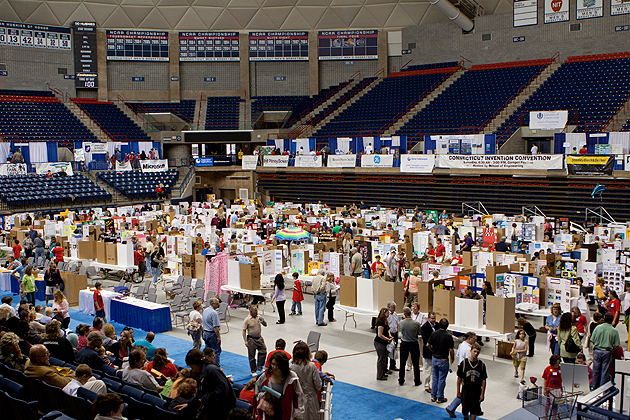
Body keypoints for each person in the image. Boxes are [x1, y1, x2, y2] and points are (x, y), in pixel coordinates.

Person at [182, 349, 236, 420]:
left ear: (196, 363)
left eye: (191, 366)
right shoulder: (201, 372)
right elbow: (201, 393)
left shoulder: (211, 370)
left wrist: (205, 398)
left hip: (222, 408)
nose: (191, 369)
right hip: (213, 406)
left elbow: (223, 389)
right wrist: (189, 404)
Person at [255, 351, 303, 420]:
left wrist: (298, 415)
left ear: (283, 366)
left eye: (277, 366)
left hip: (286, 413)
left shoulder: (292, 378)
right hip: (269, 413)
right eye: (273, 364)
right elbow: (257, 392)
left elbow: (299, 397)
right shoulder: (265, 376)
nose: (274, 368)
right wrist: (264, 396)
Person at [445, 332, 477, 418]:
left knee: (466, 392)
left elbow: (458, 355)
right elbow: (470, 361)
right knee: (466, 393)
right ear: (469, 339)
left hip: (461, 368)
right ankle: (452, 408)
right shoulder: (468, 350)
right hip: (466, 372)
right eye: (474, 339)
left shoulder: (461, 345)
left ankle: (452, 408)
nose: (475, 340)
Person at [291, 341, 322, 420]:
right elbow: (318, 385)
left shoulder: (290, 366)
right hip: (310, 399)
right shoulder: (311, 366)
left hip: (295, 399)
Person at [455, 343, 487, 420]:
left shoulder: (481, 365)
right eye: (474, 351)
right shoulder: (464, 363)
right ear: (471, 350)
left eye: (478, 352)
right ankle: (465, 417)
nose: (476, 354)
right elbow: (459, 378)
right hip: (466, 390)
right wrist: (458, 391)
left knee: (474, 411)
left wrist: (482, 394)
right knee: (465, 410)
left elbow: (484, 380)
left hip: (476, 391)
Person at [428, 318, 455, 403]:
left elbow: (428, 344)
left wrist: (432, 350)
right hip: (443, 359)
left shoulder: (434, 333)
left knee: (435, 377)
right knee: (442, 379)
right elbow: (451, 349)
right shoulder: (448, 336)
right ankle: (440, 397)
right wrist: (452, 358)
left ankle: (433, 396)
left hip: (435, 358)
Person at [590, 312, 620, 389]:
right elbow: (616, 345)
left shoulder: (598, 328)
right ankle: (602, 389)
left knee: (596, 371)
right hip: (607, 351)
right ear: (612, 320)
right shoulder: (614, 331)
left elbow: (592, 340)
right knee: (605, 372)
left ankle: (594, 387)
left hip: (597, 350)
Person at [398, 307, 422, 386]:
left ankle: (401, 380)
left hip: (404, 343)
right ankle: (417, 380)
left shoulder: (401, 323)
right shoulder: (416, 323)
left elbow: (401, 331)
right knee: (416, 363)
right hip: (413, 343)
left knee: (402, 362)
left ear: (404, 314)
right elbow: (419, 333)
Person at [243, 305, 267, 376]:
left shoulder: (258, 317)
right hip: (251, 339)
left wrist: (263, 320)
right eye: (255, 310)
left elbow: (265, 325)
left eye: (257, 310)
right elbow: (244, 330)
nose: (257, 312)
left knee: (263, 350)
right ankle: (253, 370)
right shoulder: (247, 319)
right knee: (252, 355)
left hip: (259, 338)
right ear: (251, 311)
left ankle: (260, 365)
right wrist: (245, 341)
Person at [374, 307, 394, 381]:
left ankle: (383, 372)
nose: (388, 314)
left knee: (385, 358)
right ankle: (379, 375)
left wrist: (390, 335)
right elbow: (380, 335)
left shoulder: (385, 321)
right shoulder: (380, 323)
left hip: (384, 343)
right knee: (381, 359)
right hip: (379, 343)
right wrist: (388, 339)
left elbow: (387, 330)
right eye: (387, 313)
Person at [202, 297, 222, 367]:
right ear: (213, 304)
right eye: (217, 304)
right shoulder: (214, 313)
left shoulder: (205, 310)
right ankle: (216, 366)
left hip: (205, 333)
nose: (218, 305)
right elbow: (215, 327)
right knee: (216, 351)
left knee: (207, 351)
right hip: (212, 334)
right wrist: (218, 337)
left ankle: (207, 364)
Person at [421, 311, 438, 393]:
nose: (434, 320)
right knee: (427, 369)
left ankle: (434, 385)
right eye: (432, 318)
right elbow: (425, 340)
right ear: (428, 318)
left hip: (436, 352)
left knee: (434, 370)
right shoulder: (425, 327)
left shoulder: (437, 325)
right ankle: (426, 386)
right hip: (428, 351)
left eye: (434, 318)